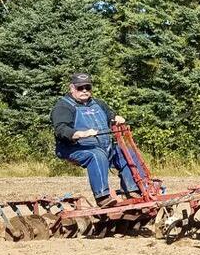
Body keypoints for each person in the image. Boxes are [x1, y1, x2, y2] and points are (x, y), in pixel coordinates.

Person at [50, 73, 141, 207]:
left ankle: (132, 190)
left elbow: (111, 116)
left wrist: (116, 118)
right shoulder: (63, 106)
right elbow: (61, 129)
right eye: (80, 88)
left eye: (87, 87)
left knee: (128, 153)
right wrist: (80, 133)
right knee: (96, 155)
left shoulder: (98, 103)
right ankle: (102, 197)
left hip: (105, 146)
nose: (85, 90)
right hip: (75, 148)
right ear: (72, 88)